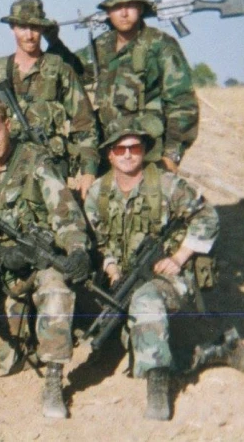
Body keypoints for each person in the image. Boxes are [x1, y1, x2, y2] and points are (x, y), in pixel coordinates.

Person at [0, 98, 91, 419]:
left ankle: (54, 379)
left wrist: (77, 249)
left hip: (41, 261)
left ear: (8, 126)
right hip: (0, 272)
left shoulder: (36, 161)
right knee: (8, 358)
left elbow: (65, 212)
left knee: (57, 288)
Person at [83, 119, 227, 420]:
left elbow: (208, 216)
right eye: (119, 148)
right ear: (109, 154)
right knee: (135, 341)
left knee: (144, 302)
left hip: (172, 280)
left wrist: (179, 256)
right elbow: (97, 241)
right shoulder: (98, 193)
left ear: (144, 150)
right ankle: (214, 351)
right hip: (125, 280)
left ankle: (158, 388)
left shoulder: (167, 184)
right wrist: (110, 265)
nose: (127, 154)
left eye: (134, 147)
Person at [46, 0, 199, 172]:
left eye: (130, 5)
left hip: (147, 152)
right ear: (108, 12)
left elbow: (182, 103)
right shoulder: (103, 45)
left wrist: (171, 155)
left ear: (141, 8)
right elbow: (77, 73)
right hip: (110, 151)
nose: (124, 13)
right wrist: (53, 41)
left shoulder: (160, 45)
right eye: (117, 7)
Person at [0, 0, 99, 198]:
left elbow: (84, 122)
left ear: (42, 29)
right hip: (5, 168)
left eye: (35, 28)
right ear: (13, 28)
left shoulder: (59, 68)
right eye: (23, 27)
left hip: (50, 167)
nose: (29, 35)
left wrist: (89, 171)